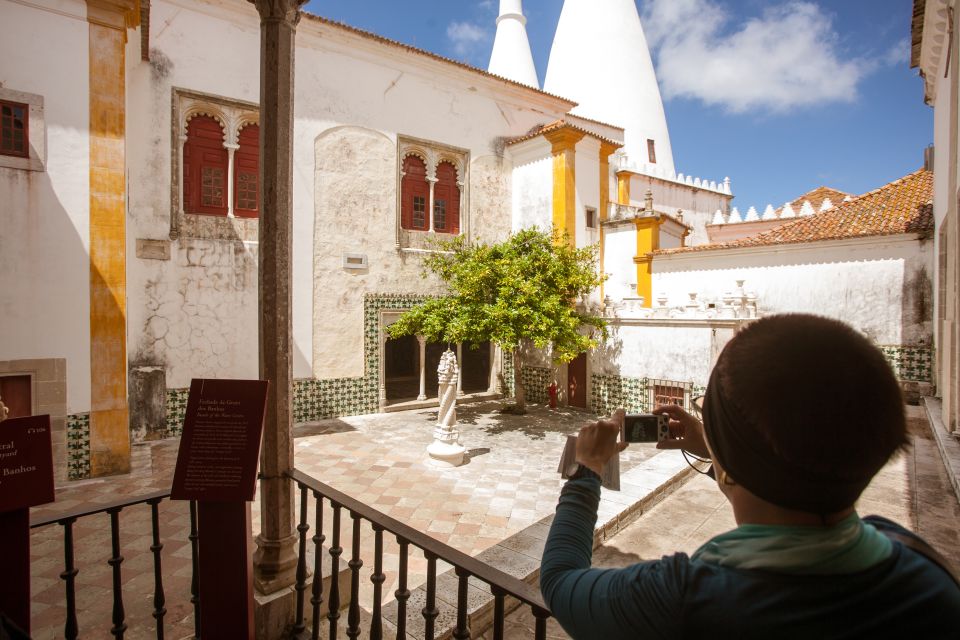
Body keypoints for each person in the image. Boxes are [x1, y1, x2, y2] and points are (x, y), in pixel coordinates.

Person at [541, 314, 960, 638]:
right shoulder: (922, 571)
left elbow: (560, 582)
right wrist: (716, 449)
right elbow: (789, 493)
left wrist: (588, 471)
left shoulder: (683, 598)